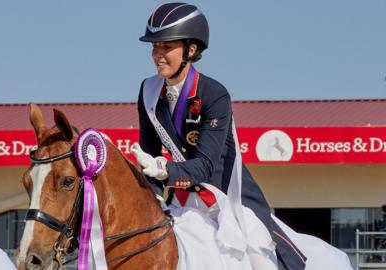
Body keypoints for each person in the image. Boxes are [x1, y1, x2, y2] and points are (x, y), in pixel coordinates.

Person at [130, 2, 307, 270]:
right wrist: (152, 196)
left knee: (263, 261)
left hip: (230, 199)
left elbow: (204, 166)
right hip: (183, 201)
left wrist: (164, 170)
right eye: (155, 47)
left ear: (191, 50)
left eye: (166, 46)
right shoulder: (148, 92)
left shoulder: (215, 95)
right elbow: (150, 155)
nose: (158, 54)